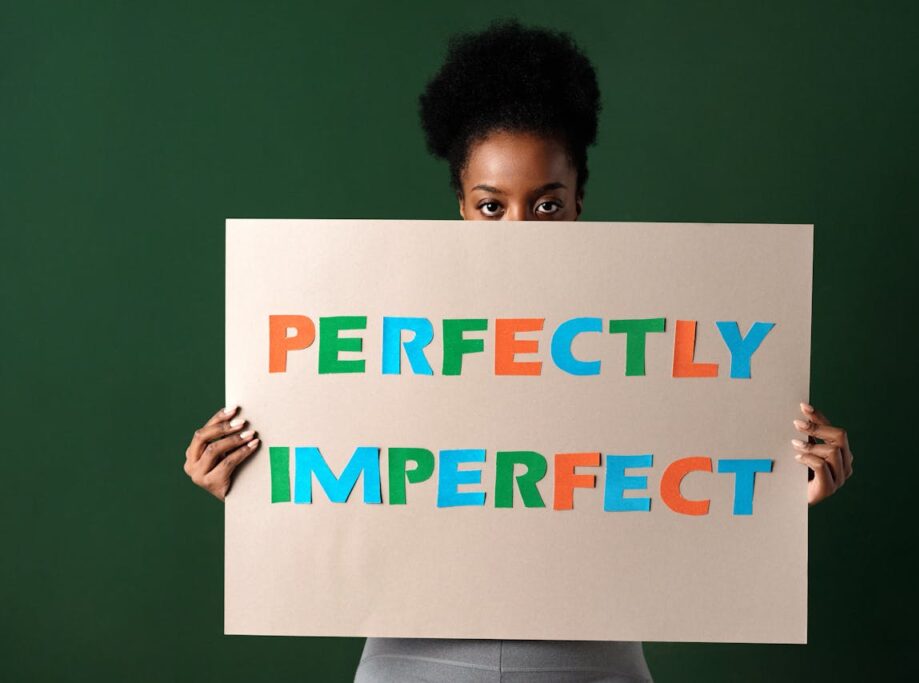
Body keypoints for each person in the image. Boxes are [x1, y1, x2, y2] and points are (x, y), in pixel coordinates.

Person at [183, 18, 855, 682]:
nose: (519, 229)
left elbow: (686, 483)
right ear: (461, 206)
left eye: (545, 205)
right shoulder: (380, 334)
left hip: (592, 665)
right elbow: (337, 494)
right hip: (412, 662)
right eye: (491, 204)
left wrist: (780, 492)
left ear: (578, 202)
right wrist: (249, 489)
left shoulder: (646, 341)